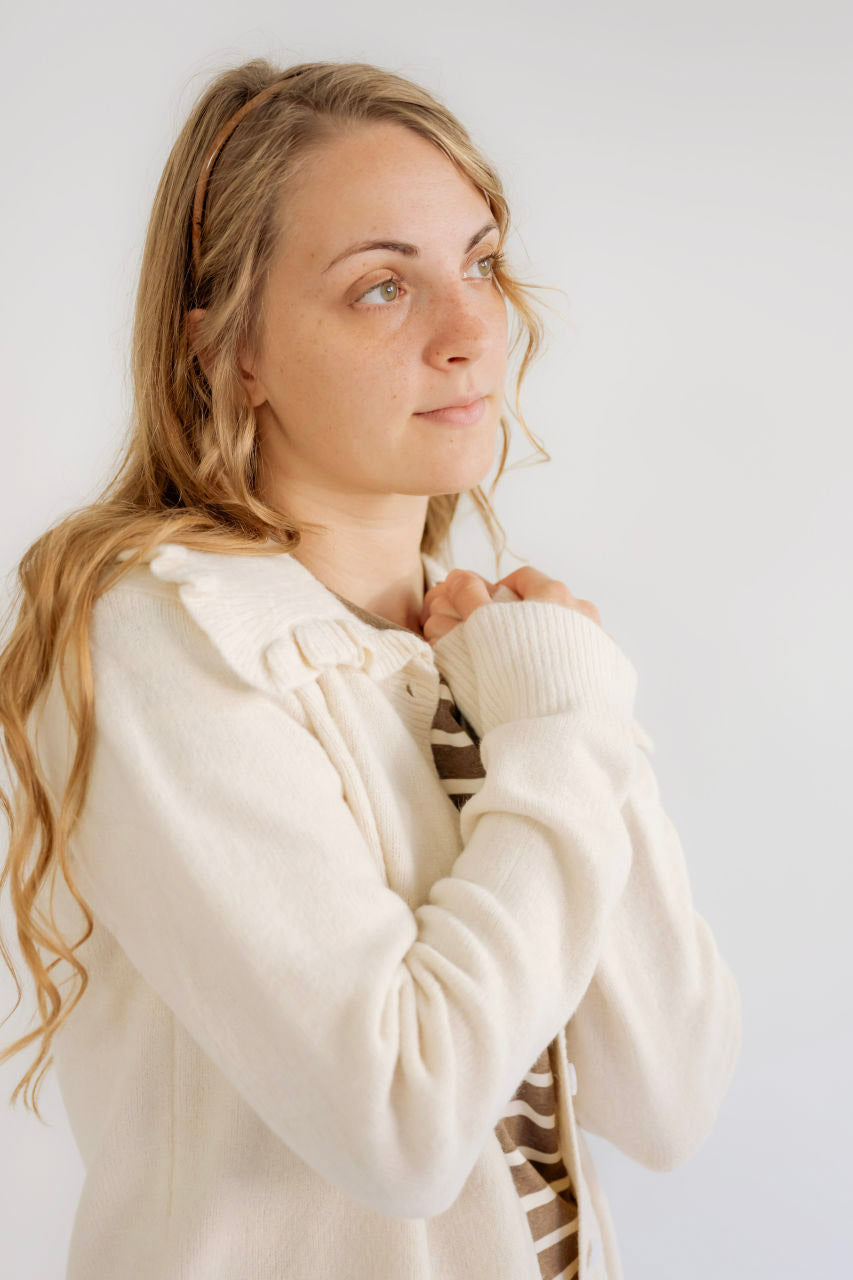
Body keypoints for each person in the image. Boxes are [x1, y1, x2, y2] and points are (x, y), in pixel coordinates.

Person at [0, 58, 742, 1280]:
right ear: (231, 347)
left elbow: (666, 1092)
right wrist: (564, 734)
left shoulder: (494, 662)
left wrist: (570, 713)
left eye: (480, 263)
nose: (470, 332)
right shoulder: (158, 640)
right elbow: (403, 1121)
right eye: (382, 286)